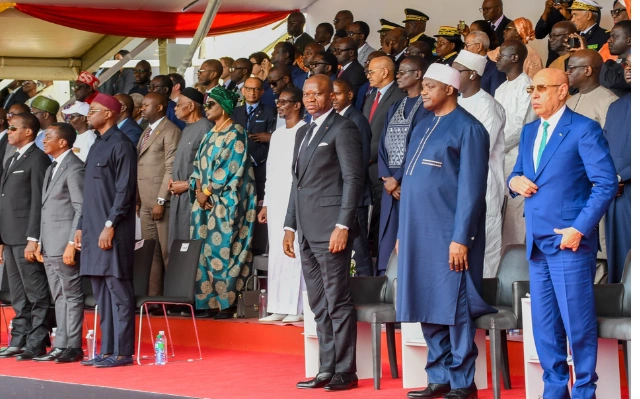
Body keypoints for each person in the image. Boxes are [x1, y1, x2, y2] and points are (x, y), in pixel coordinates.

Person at [507, 68, 617, 399]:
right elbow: (516, 173)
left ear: (562, 91)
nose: (535, 94)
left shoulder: (583, 129)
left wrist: (579, 229)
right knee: (545, 326)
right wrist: (515, 182)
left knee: (577, 324)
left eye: (542, 88)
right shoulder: (528, 132)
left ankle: (584, 391)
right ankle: (554, 391)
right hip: (538, 243)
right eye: (532, 89)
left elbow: (606, 183)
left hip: (569, 242)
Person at [399, 64, 495, 399]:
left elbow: (471, 191)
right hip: (417, 234)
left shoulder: (469, 129)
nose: (422, 91)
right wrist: (402, 233)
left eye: (429, 86)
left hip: (449, 237)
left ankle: (462, 382)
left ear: (450, 89)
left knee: (453, 306)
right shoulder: (423, 124)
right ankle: (438, 375)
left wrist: (461, 238)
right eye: (422, 86)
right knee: (427, 302)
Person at [284, 75, 363, 392]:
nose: (310, 98)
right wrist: (289, 226)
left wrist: (343, 225)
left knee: (337, 301)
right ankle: (326, 368)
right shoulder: (303, 131)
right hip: (305, 230)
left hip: (331, 229)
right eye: (306, 93)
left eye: (317, 94)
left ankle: (346, 370)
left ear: (332, 96)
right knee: (318, 303)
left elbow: (354, 180)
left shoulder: (344, 129)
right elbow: (297, 183)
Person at [76, 93, 137, 368]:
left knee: (118, 291)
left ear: (110, 114)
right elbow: (90, 194)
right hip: (92, 229)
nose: (89, 115)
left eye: (94, 110)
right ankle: (107, 349)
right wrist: (79, 228)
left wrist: (110, 225)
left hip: (112, 230)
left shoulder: (121, 145)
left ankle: (123, 352)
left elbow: (125, 190)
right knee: (101, 293)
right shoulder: (97, 144)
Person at [190, 87, 256, 319]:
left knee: (224, 248)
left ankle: (226, 302)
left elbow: (230, 168)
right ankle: (208, 301)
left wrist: (207, 191)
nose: (206, 108)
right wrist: (198, 190)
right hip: (204, 202)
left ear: (224, 107)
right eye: (206, 104)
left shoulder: (235, 133)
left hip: (227, 202)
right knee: (203, 251)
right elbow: (198, 165)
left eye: (211, 104)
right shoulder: (210, 133)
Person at [0, 113, 51, 360]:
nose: (8, 131)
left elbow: (37, 203)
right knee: (18, 293)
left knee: (35, 291)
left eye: (13, 128)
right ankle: (19, 338)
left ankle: (37, 341)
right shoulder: (12, 158)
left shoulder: (38, 159)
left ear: (28, 131)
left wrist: (34, 237)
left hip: (26, 236)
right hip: (9, 235)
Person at [33, 122, 85, 363]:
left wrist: (70, 243)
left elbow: (79, 207)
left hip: (64, 244)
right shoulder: (53, 167)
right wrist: (41, 242)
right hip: (49, 244)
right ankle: (60, 345)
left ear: (62, 142)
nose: (43, 140)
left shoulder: (74, 167)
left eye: (48, 137)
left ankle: (73, 346)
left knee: (71, 295)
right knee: (60, 297)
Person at [454, 50, 507, 278]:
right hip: (455, 184)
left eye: (457, 72)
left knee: (484, 247)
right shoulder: (454, 102)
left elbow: (479, 150)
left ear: (473, 74)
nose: (452, 77)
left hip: (483, 185)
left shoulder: (489, 106)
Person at [257, 87, 307, 322]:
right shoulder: (277, 133)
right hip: (275, 199)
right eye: (278, 101)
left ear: (297, 105)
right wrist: (266, 203)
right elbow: (271, 170)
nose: (280, 105)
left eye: (285, 101)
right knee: (276, 252)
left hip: (294, 198)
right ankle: (278, 305)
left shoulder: (305, 130)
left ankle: (296, 306)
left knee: (293, 250)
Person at [377, 56, 429, 274]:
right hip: (390, 186)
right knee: (387, 236)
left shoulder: (426, 108)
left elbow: (419, 147)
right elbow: (382, 144)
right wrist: (386, 177)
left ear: (418, 74)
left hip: (409, 184)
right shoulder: (395, 105)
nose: (397, 76)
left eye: (403, 72)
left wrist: (397, 178)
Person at [495, 40, 538, 249]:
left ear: (515, 58)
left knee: (514, 214)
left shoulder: (527, 85)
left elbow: (523, 127)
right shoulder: (501, 88)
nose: (497, 58)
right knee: (498, 213)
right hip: (497, 159)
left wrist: (496, 146)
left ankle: (515, 268)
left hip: (517, 158)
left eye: (502, 54)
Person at [137, 93, 181, 297]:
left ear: (161, 107)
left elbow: (171, 168)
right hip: (145, 201)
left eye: (147, 105)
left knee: (167, 252)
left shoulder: (170, 131)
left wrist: (161, 199)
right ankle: (154, 298)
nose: (142, 108)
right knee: (150, 252)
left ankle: (174, 296)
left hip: (160, 201)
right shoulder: (146, 130)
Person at [363, 56, 406, 265]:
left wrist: (368, 157)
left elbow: (390, 138)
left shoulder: (399, 96)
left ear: (384, 72)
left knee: (383, 223)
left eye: (371, 72)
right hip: (368, 169)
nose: (368, 76)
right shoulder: (371, 96)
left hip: (385, 171)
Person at [332, 78, 374, 276]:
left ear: (349, 95)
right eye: (331, 94)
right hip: (337, 195)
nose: (333, 98)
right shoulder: (335, 119)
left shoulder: (357, 120)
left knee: (358, 248)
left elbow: (361, 161)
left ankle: (367, 288)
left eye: (338, 94)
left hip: (354, 196)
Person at [168, 88, 212, 249]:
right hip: (179, 195)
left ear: (191, 107)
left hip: (194, 196)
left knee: (190, 245)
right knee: (177, 245)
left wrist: (187, 184)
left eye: (179, 104)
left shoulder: (206, 128)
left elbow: (210, 169)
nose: (175, 108)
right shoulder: (187, 128)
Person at [603, 56, 630, 284]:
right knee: (620, 265)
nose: (628, 69)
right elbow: (604, 149)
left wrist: (620, 177)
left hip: (626, 186)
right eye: (627, 64)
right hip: (616, 195)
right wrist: (606, 178)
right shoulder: (616, 107)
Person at [231, 77, 277, 201]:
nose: (252, 92)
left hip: (260, 164)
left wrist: (253, 158)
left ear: (262, 91)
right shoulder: (235, 112)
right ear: (243, 90)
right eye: (249, 89)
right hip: (237, 164)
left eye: (256, 89)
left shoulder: (270, 111)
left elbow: (273, 138)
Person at [566, 49, 618, 127]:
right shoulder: (569, 102)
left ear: (588, 70)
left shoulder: (610, 102)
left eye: (571, 68)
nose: (567, 72)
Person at [464, 31, 506, 95]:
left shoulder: (496, 70)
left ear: (479, 46)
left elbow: (496, 99)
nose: (465, 49)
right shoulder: (464, 66)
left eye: (467, 45)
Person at [535, 0, 573, 66]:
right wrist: (546, 12)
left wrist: (568, 17)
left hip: (572, 62)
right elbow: (538, 34)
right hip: (553, 60)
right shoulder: (555, 10)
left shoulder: (579, 5)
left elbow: (582, 32)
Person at [599, 20, 631, 97]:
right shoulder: (609, 63)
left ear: (629, 40)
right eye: (610, 36)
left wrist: (590, 56)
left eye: (614, 36)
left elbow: (612, 82)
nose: (609, 40)